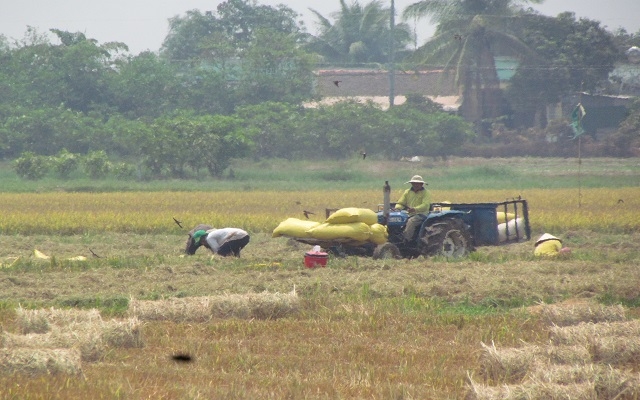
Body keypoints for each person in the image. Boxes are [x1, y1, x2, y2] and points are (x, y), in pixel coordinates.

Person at [394, 175, 431, 241]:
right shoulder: (407, 192)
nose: (416, 185)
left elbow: (425, 205)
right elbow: (401, 202)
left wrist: (415, 209)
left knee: (411, 221)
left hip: (421, 214)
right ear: (411, 183)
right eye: (414, 183)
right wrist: (397, 208)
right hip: (408, 214)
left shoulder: (426, 193)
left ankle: (405, 239)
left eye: (418, 183)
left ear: (421, 184)